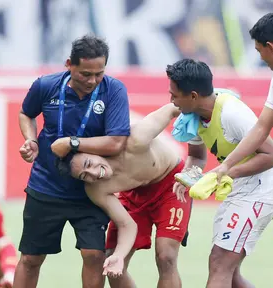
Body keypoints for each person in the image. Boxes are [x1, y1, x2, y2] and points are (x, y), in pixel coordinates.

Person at [15, 34, 130, 288]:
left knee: (94, 256)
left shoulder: (114, 90)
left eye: (98, 73)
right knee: (31, 259)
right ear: (70, 64)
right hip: (46, 184)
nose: (92, 80)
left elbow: (116, 142)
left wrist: (72, 143)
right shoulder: (45, 86)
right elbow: (26, 113)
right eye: (85, 73)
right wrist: (31, 140)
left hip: (92, 190)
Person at [61, 103, 205, 287]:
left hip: (171, 183)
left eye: (90, 163)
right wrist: (119, 256)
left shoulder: (136, 138)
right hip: (134, 193)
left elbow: (172, 108)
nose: (94, 173)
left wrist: (208, 110)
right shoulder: (95, 189)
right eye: (85, 175)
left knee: (166, 256)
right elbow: (126, 224)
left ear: (94, 151)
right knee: (112, 264)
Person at [166, 59, 273, 288]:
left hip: (261, 189)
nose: (171, 100)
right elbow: (198, 157)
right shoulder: (192, 117)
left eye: (174, 95)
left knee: (220, 262)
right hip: (236, 190)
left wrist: (225, 171)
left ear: (194, 96)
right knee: (230, 273)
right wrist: (189, 176)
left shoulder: (232, 114)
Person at [214, 12, 273, 288]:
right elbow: (260, 129)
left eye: (260, 50)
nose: (260, 57)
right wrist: (225, 166)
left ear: (271, 46)